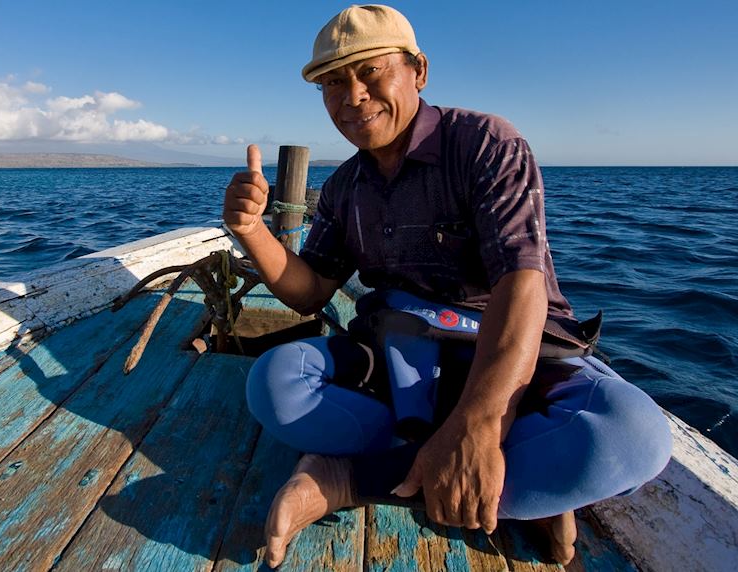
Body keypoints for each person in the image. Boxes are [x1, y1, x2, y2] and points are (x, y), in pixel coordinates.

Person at [222, 5, 672, 568]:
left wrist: (480, 425)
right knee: (275, 383)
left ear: (419, 71)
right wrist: (252, 233)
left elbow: (521, 282)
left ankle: (347, 480)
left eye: (370, 71)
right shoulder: (343, 188)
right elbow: (310, 292)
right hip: (397, 357)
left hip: (507, 353)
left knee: (634, 437)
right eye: (333, 82)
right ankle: (527, 485)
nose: (353, 95)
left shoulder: (486, 144)